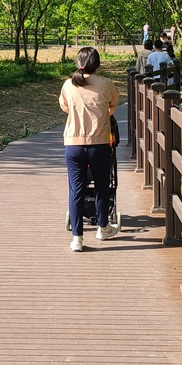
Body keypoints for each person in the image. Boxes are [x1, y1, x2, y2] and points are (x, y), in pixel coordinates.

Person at [59, 47, 120, 252]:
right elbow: (113, 104)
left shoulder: (68, 84)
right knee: (102, 186)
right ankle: (102, 228)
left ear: (78, 63)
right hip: (99, 143)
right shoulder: (105, 84)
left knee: (75, 190)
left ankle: (77, 238)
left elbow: (65, 107)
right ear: (97, 64)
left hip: (73, 144)